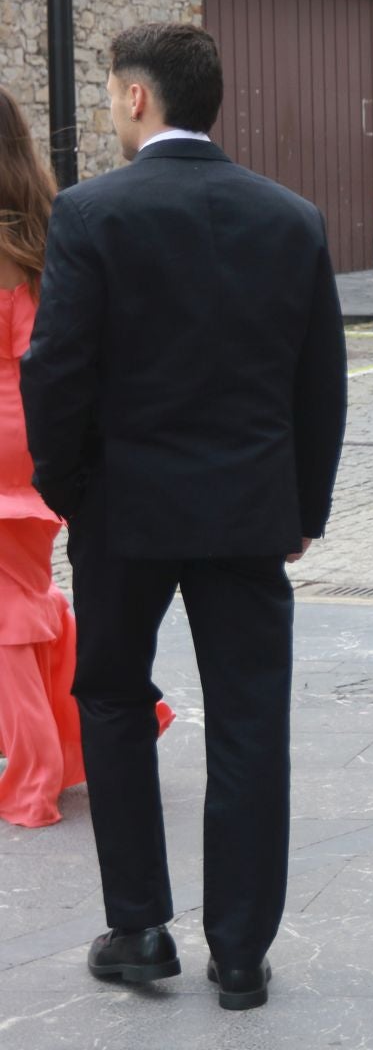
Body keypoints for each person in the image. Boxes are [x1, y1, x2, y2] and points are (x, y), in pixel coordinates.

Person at [21, 23, 347, 1010]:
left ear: (134, 98)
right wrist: (303, 508)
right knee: (251, 720)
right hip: (249, 509)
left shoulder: (91, 213)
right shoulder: (289, 216)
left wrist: (74, 490)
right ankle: (242, 950)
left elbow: (59, 373)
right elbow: (319, 381)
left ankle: (141, 923)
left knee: (115, 699)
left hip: (126, 509)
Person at [0, 88, 173, 830]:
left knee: (5, 605)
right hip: (32, 432)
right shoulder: (45, 220)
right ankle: (68, 748)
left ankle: (35, 770)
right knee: (24, 591)